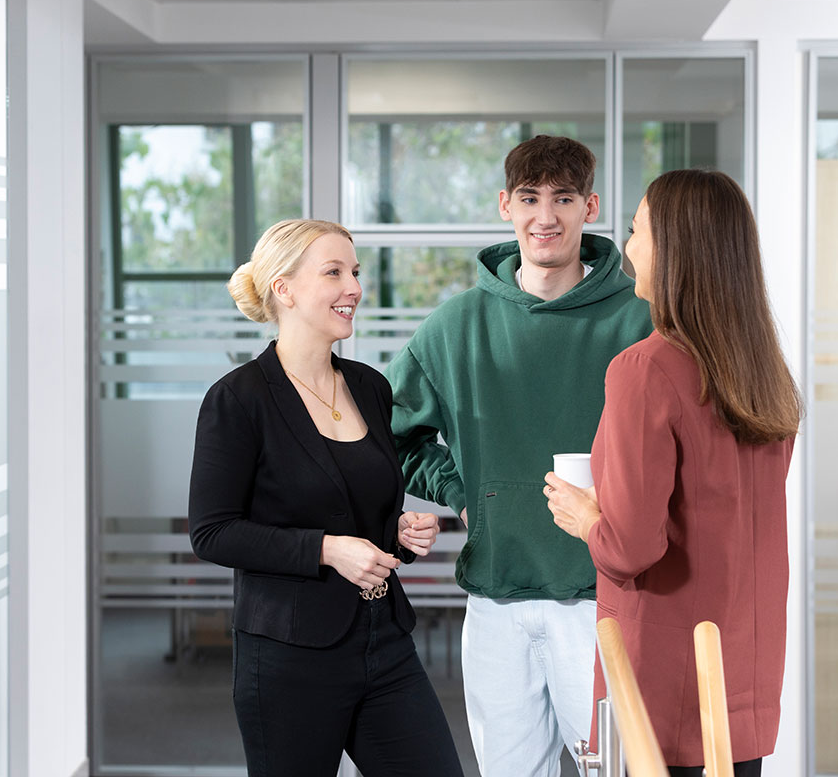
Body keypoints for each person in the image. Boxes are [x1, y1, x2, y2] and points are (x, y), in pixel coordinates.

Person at [386, 136, 653, 776]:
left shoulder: (641, 321)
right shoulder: (453, 328)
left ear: (589, 207)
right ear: (506, 205)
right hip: (496, 602)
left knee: (614, 770)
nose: (546, 216)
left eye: (563, 198)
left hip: (604, 601)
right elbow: (394, 434)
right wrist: (460, 494)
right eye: (530, 198)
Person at [545, 169, 802, 777]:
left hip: (644, 684)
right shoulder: (766, 374)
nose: (627, 246)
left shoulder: (643, 370)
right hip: (740, 681)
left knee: (605, 766)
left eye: (636, 231)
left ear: (675, 249)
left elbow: (631, 548)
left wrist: (585, 518)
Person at [188, 219, 464, 777]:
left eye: (355, 272)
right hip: (288, 658)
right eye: (333, 272)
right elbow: (212, 531)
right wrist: (326, 550)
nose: (354, 288)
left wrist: (399, 535)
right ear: (283, 289)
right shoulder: (238, 400)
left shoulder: (370, 387)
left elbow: (359, 507)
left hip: (384, 642)